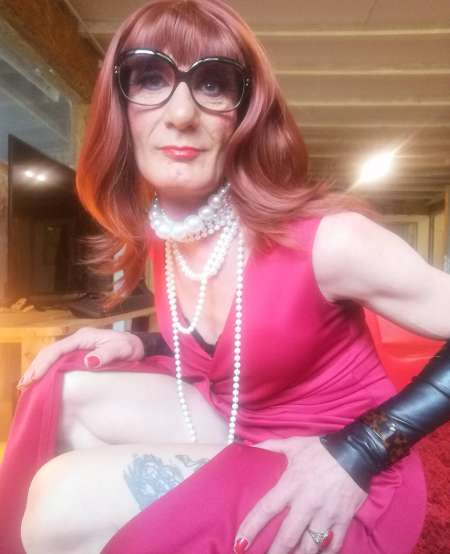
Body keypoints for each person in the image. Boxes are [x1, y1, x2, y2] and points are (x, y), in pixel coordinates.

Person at [0, 1, 449, 553]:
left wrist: (365, 447)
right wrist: (142, 343)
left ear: (245, 115)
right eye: (150, 78)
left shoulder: (331, 240)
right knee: (63, 387)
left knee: (59, 500)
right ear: (120, 109)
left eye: (213, 84)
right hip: (246, 424)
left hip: (344, 466)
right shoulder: (168, 239)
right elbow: (233, 343)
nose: (181, 113)